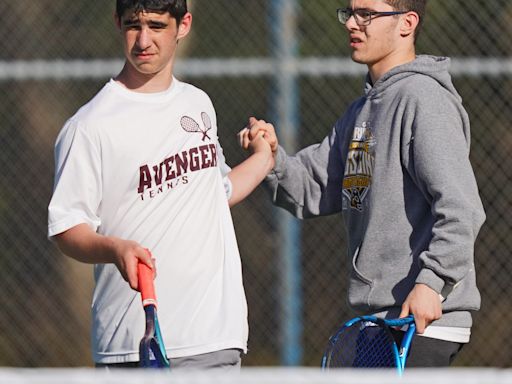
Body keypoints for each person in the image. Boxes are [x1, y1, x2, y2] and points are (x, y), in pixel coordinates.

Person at [240, 0, 486, 367]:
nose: (352, 24)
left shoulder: (423, 99)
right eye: (350, 13)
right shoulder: (364, 111)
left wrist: (431, 283)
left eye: (367, 14)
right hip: (378, 324)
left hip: (421, 324)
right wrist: (271, 158)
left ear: (407, 23)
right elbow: (314, 187)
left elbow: (461, 208)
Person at [47, 0, 274, 370]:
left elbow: (214, 194)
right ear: (118, 24)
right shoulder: (88, 126)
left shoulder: (197, 103)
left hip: (215, 336)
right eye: (134, 25)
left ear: (183, 25)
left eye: (156, 25)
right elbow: (66, 228)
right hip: (132, 345)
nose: (144, 40)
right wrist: (114, 249)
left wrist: (265, 157)